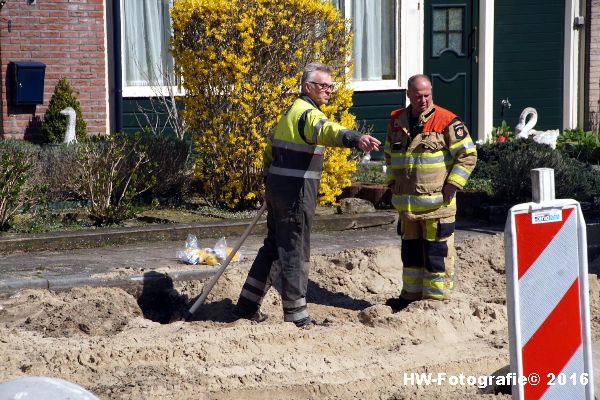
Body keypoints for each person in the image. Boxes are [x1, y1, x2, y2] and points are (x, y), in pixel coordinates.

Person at [233, 62, 381, 329]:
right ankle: (297, 316)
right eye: (324, 86)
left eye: (331, 86)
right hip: (295, 195)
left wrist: (270, 185)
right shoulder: (306, 114)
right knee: (294, 250)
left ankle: (246, 304)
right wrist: (354, 138)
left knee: (274, 248)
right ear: (307, 87)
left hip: (279, 191)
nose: (329, 91)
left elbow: (269, 152)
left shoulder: (289, 113)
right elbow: (326, 129)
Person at [384, 74, 477, 309]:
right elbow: (388, 155)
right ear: (408, 95)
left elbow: (468, 156)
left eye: (427, 95)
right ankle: (409, 298)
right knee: (411, 255)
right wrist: (391, 183)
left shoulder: (447, 121)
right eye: (418, 96)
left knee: (437, 256)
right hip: (408, 208)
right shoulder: (397, 122)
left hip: (438, 206)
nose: (423, 100)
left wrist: (453, 185)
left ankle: (436, 302)